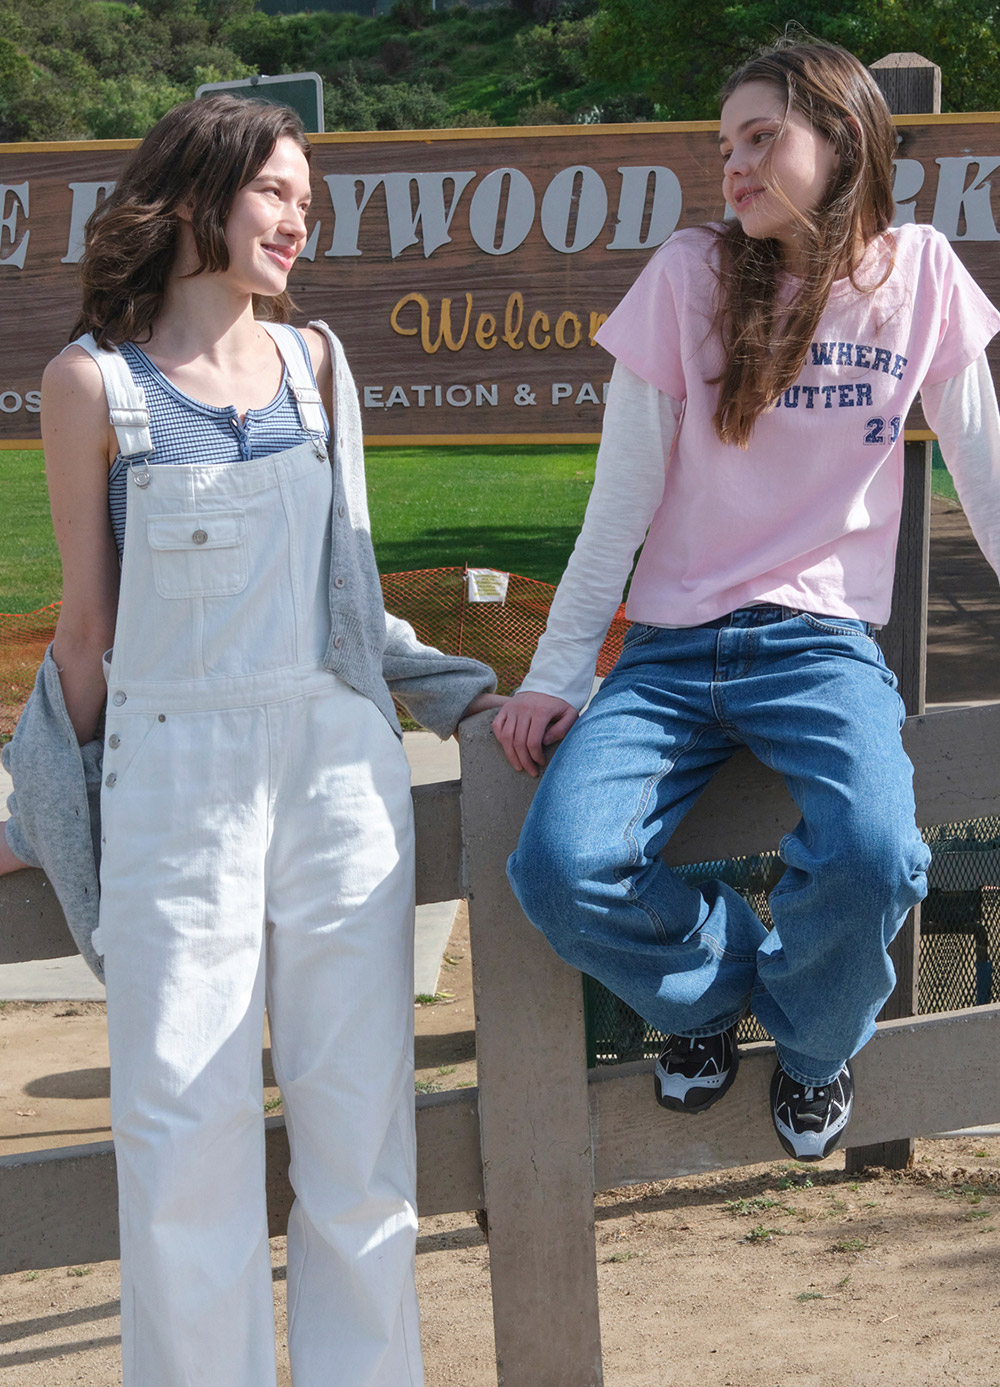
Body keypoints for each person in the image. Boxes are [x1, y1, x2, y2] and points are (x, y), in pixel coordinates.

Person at [0, 94, 502, 1386]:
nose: (298, 219)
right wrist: (33, 802)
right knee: (182, 1133)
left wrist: (469, 696)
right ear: (193, 196)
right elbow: (86, 636)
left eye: (306, 199)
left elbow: (353, 596)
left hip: (338, 774)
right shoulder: (91, 386)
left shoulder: (320, 365)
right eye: (276, 190)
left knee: (360, 1133)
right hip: (174, 780)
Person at [492, 37, 1000, 1162]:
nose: (732, 164)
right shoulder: (688, 276)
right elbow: (618, 502)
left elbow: (988, 474)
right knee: (560, 870)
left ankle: (814, 1046)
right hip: (670, 651)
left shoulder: (920, 274)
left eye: (761, 137)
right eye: (724, 144)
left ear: (844, 136)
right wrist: (555, 673)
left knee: (876, 853)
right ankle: (711, 995)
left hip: (821, 645)